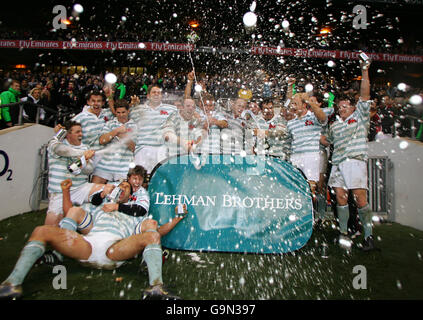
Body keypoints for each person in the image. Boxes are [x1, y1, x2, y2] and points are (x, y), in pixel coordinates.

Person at [0, 179, 186, 300]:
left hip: (114, 249)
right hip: (87, 246)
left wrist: (177, 218)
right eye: (119, 186)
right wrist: (67, 191)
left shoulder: (135, 215)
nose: (121, 189)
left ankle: (156, 288)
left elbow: (157, 233)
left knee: (152, 233)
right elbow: (70, 215)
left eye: (126, 188)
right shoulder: (98, 206)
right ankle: (11, 285)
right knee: (41, 231)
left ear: (131, 195)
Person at [325, 60, 377, 251]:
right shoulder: (335, 124)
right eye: (340, 107)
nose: (342, 109)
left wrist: (364, 70)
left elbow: (365, 94)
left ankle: (368, 236)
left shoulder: (360, 117)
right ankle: (344, 234)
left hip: (354, 161)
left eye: (345, 106)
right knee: (340, 197)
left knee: (360, 198)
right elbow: (327, 139)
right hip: (338, 163)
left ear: (354, 107)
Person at [45, 120, 100, 226]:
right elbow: (62, 151)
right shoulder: (55, 143)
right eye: (77, 132)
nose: (81, 134)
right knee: (49, 229)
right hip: (59, 192)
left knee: (106, 190)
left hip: (80, 188)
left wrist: (83, 161)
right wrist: (82, 155)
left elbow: (89, 170)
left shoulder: (85, 148)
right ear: (68, 134)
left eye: (81, 131)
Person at [287, 91, 328, 208]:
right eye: (292, 104)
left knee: (311, 188)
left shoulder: (313, 116)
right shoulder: (291, 123)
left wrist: (310, 101)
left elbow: (323, 118)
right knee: (295, 188)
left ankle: (311, 216)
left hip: (311, 155)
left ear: (304, 105)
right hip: (295, 156)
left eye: (296, 103)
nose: (293, 106)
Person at [130, 85, 177, 176]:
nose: (156, 94)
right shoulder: (139, 109)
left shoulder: (171, 109)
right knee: (140, 178)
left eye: (158, 92)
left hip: (161, 149)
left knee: (159, 177)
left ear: (162, 96)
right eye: (154, 92)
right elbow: (124, 116)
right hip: (143, 148)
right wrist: (133, 105)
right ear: (148, 95)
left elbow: (185, 113)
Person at [91, 99, 137, 184]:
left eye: (123, 112)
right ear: (115, 112)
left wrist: (121, 135)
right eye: (118, 112)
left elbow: (133, 147)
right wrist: (116, 131)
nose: (121, 115)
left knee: (121, 194)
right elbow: (101, 140)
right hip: (105, 165)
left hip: (123, 167)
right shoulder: (109, 123)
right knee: (93, 192)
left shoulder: (134, 125)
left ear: (128, 111)